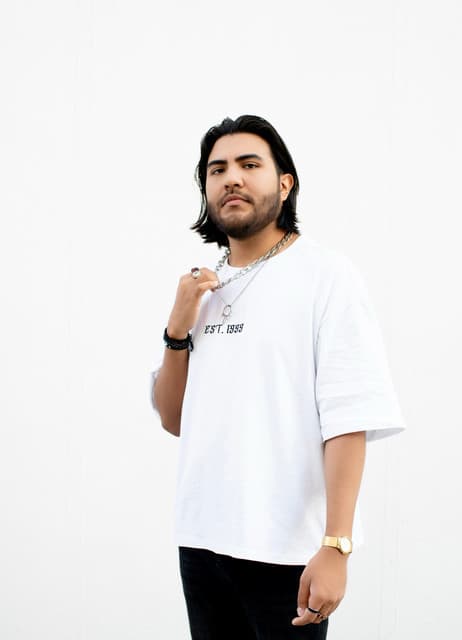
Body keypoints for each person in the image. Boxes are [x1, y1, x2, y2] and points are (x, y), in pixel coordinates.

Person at [150, 114, 406, 639]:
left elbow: (348, 416)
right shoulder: (202, 288)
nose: (232, 178)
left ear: (284, 184)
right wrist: (177, 330)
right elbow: (175, 419)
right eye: (217, 169)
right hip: (201, 545)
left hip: (288, 553)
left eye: (250, 165)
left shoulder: (325, 275)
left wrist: (336, 545)